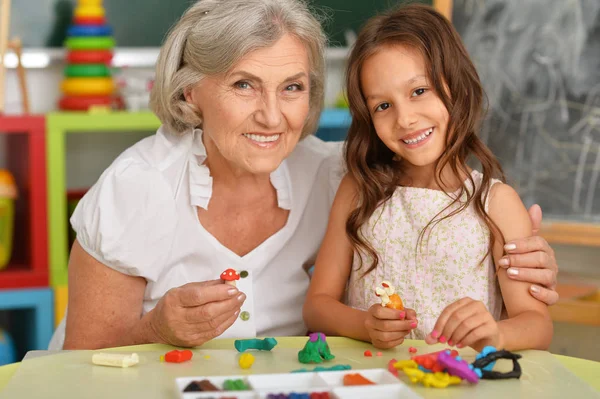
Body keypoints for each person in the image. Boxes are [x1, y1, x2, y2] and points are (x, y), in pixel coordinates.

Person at [50, 0, 559, 351]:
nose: (273, 117)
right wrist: (157, 329)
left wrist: (525, 254)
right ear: (190, 94)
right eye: (244, 85)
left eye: (292, 87)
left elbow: (433, 196)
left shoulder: (340, 172)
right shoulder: (136, 186)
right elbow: (83, 359)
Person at [303, 4, 553, 352]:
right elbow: (317, 306)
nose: (404, 119)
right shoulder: (359, 190)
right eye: (382, 106)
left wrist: (497, 334)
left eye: (419, 91)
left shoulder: (496, 202)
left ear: (457, 85)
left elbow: (537, 324)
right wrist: (364, 324)